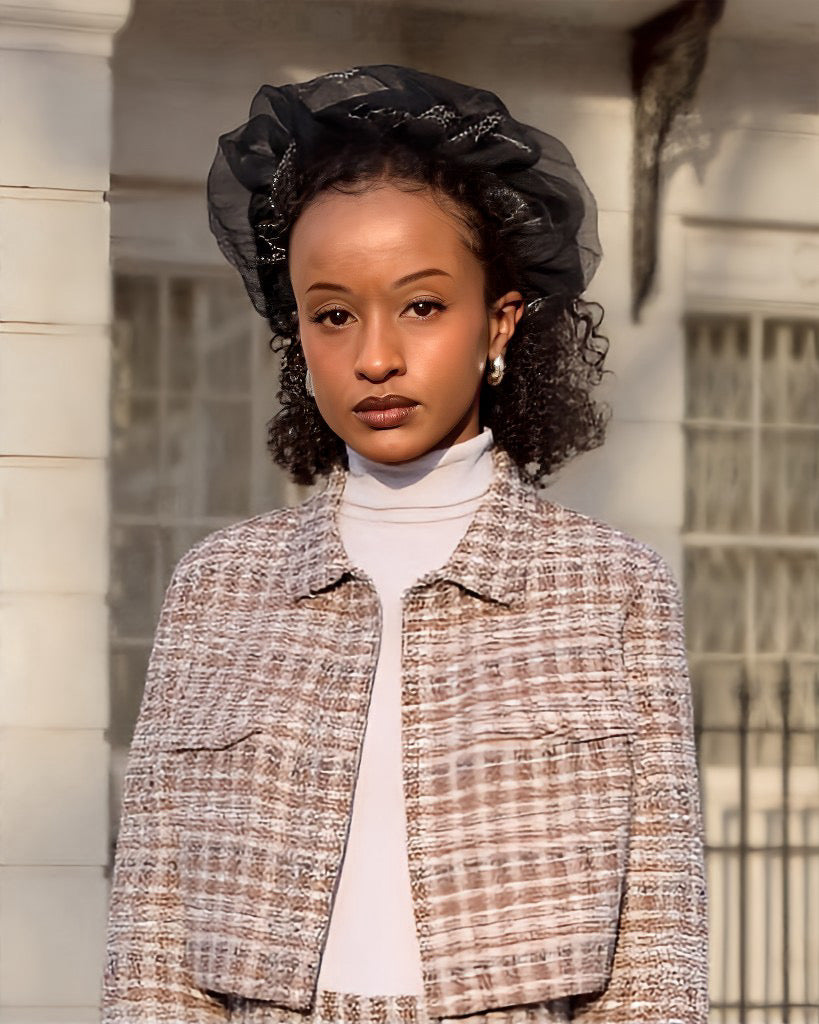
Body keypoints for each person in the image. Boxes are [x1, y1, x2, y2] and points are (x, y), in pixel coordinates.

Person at [101, 65, 708, 1024]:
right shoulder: (217, 587)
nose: (374, 355)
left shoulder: (610, 586)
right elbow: (150, 945)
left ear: (497, 321)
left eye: (421, 305)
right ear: (297, 334)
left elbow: (656, 955)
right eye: (332, 313)